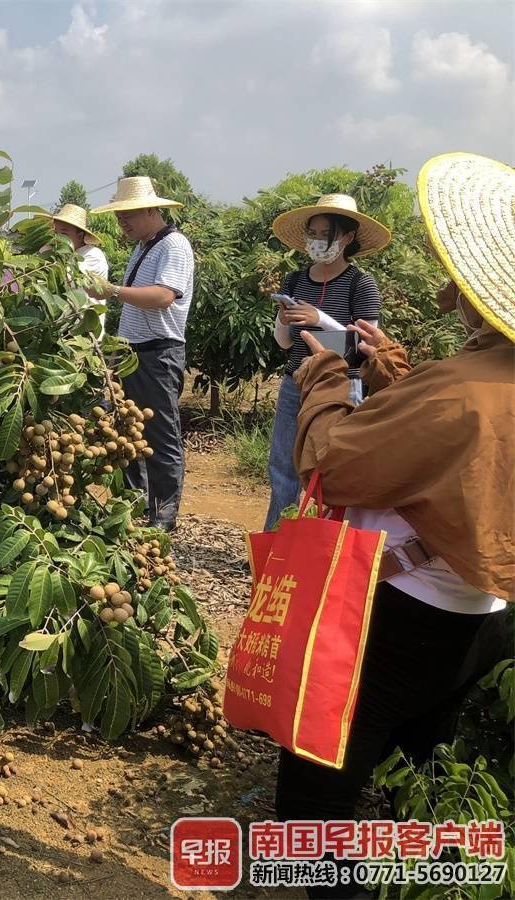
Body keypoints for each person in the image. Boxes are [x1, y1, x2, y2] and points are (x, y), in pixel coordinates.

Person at [273, 152, 513, 899]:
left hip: (408, 612)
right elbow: (441, 444)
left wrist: (322, 381)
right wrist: (385, 375)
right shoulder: (491, 374)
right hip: (485, 611)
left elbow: (340, 463)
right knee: (419, 769)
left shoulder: (467, 389)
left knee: (316, 798)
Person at [263, 194, 389, 531]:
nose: (316, 241)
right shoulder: (295, 279)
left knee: (335, 465)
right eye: (313, 233)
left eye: (325, 234)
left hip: (346, 385)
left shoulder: (360, 284)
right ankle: (277, 541)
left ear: (347, 238)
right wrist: (285, 319)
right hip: (297, 380)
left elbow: (366, 345)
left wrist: (319, 317)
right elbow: (285, 343)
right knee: (283, 466)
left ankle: (325, 543)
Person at [88, 177, 194, 532]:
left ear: (152, 209)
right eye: (119, 217)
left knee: (161, 436)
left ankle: (163, 516)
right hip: (131, 351)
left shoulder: (173, 246)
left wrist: (113, 291)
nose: (123, 223)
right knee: (128, 429)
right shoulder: (143, 246)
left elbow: (164, 296)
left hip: (158, 354)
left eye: (129, 215)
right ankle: (137, 504)